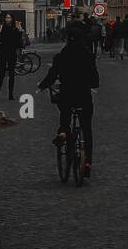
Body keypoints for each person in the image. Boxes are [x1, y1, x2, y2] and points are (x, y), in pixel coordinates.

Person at [39, 21, 100, 179]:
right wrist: (90, 83)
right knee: (86, 129)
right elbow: (95, 80)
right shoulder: (88, 55)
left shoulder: (61, 56)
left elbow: (52, 76)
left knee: (65, 113)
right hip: (83, 95)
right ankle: (87, 163)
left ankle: (64, 132)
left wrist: (42, 85)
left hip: (67, 94)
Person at [0, 12, 23, 100]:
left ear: (12, 19)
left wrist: (20, 31)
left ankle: (11, 94)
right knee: (1, 74)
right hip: (2, 53)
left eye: (9, 17)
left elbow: (19, 42)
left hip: (11, 53)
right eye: (6, 17)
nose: (7, 19)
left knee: (11, 74)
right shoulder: (1, 28)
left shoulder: (15, 28)